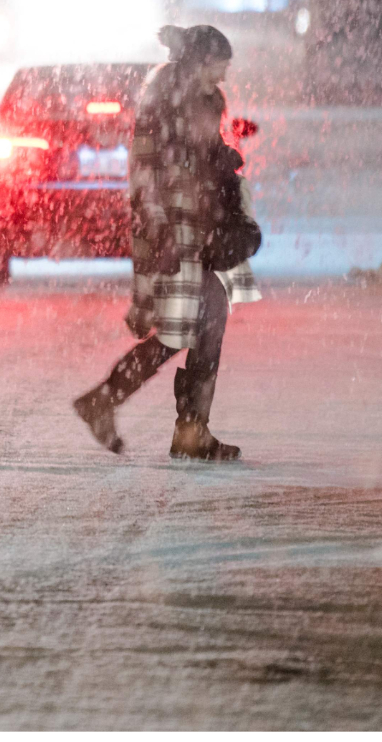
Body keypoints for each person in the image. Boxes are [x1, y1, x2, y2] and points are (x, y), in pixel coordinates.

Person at [71, 23, 263, 461]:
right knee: (183, 328)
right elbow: (144, 170)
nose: (224, 76)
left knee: (206, 318)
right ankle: (136, 411)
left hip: (201, 229)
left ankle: (185, 428)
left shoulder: (207, 100)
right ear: (200, 62)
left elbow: (203, 153)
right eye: (219, 66)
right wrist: (158, 229)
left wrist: (222, 158)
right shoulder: (161, 101)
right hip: (172, 231)